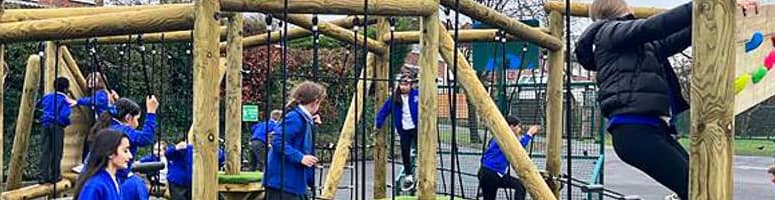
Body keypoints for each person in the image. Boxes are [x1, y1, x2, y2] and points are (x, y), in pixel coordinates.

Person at [574, 0, 759, 199]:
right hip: (634, 132)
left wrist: (717, 15)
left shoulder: (640, 45)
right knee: (696, 187)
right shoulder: (609, 32)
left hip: (652, 129)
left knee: (701, 180)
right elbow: (653, 27)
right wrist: (704, 4)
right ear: (622, 10)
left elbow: (679, 37)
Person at [264, 81, 326, 200]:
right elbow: (277, 140)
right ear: (316, 102)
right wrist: (300, 157)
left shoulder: (302, 118)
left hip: (290, 183)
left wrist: (312, 124)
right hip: (284, 183)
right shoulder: (295, 117)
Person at [88, 96, 158, 200]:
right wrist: (151, 112)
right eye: (137, 119)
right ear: (128, 118)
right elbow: (145, 138)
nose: (138, 124)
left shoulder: (107, 126)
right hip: (118, 178)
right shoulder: (121, 130)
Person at [477, 116, 539, 200]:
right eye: (518, 126)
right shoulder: (504, 137)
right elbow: (517, 148)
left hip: (484, 172)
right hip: (493, 173)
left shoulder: (497, 136)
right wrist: (529, 134)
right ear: (511, 127)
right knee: (520, 185)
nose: (520, 129)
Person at [375, 76, 418, 191]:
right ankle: (409, 176)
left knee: (421, 151)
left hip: (417, 128)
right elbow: (384, 111)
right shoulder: (395, 98)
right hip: (404, 129)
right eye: (402, 84)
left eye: (406, 84)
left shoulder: (416, 95)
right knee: (405, 152)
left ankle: (422, 173)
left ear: (411, 85)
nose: (404, 87)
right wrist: (378, 124)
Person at [37, 77, 77, 184]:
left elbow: (38, 105)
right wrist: (67, 122)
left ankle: (42, 176)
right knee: (57, 151)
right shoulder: (65, 100)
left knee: (45, 150)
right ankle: (55, 175)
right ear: (66, 89)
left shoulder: (47, 96)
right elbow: (65, 115)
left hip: (45, 125)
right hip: (57, 126)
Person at [73, 129, 132, 200]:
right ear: (110, 153)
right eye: (125, 151)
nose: (130, 156)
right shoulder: (95, 185)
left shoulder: (115, 180)